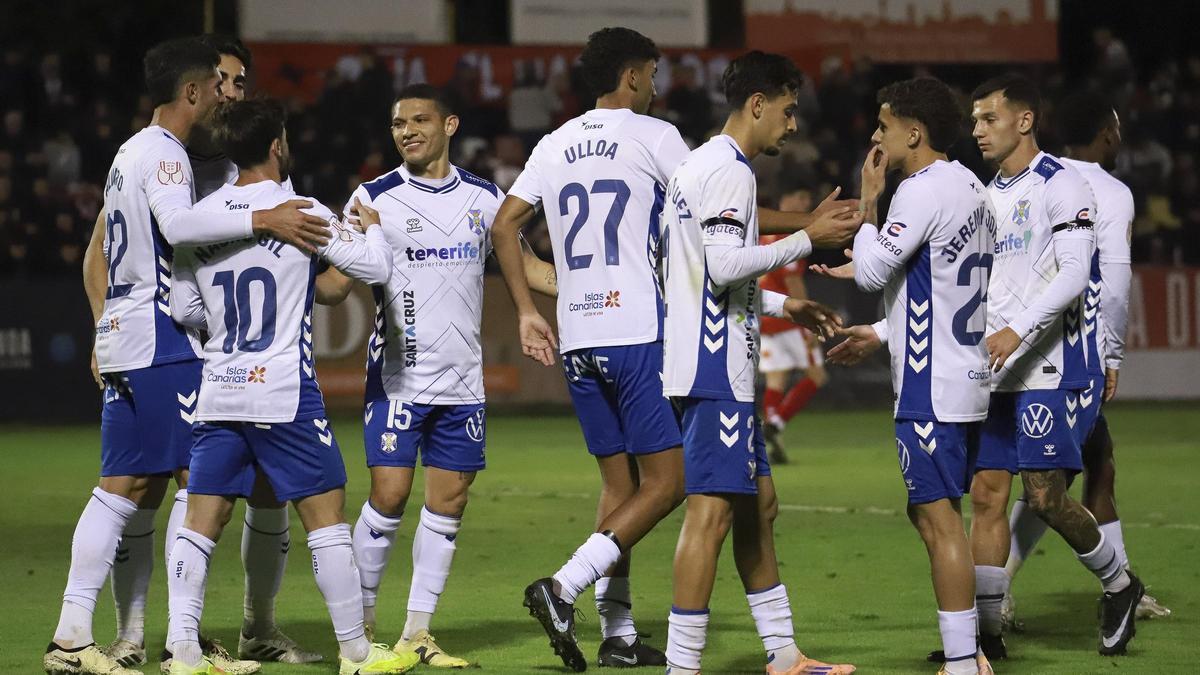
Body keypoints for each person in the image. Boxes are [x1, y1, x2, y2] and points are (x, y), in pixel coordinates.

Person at [491, 27, 859, 671]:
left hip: (579, 335)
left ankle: (620, 631)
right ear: (633, 76)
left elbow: (504, 225)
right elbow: (711, 222)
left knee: (628, 490)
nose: (658, 88)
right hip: (642, 331)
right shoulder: (662, 140)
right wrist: (805, 228)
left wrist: (527, 309)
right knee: (677, 486)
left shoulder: (553, 144)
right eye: (655, 75)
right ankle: (565, 587)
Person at [51, 37, 326, 675]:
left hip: (150, 334)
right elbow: (163, 234)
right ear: (198, 89)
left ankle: (103, 637)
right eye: (223, 83)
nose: (232, 95)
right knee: (176, 487)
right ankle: (169, 642)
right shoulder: (170, 158)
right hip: (163, 334)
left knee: (134, 484)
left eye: (240, 84)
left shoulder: (140, 153)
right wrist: (266, 222)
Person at [163, 96, 417, 675]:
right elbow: (375, 269)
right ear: (278, 145)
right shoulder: (297, 208)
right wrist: (370, 231)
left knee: (202, 521)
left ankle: (182, 652)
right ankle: (356, 652)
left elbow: (184, 306)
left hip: (220, 387)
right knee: (325, 515)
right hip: (283, 391)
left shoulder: (203, 218)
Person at [328, 83, 556, 668]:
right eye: (398, 123)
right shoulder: (375, 197)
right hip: (399, 375)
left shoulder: (484, 198)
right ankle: (361, 632)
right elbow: (336, 283)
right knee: (390, 494)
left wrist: (601, 286)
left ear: (449, 125)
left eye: (419, 120)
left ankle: (417, 633)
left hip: (462, 379)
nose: (406, 131)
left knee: (450, 500)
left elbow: (527, 265)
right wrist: (311, 263)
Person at [660, 50, 856, 675]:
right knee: (710, 515)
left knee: (758, 506)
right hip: (715, 367)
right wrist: (806, 238)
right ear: (758, 104)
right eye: (789, 111)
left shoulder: (700, 165)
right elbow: (719, 267)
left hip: (717, 361)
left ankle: (784, 655)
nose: (793, 125)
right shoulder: (730, 172)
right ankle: (681, 667)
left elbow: (693, 273)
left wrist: (782, 306)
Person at [816, 77, 998, 675]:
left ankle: (962, 662)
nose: (875, 135)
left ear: (913, 133)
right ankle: (970, 650)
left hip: (930, 386)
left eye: (883, 125)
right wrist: (883, 331)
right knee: (935, 513)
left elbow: (871, 272)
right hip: (968, 376)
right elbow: (939, 283)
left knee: (937, 517)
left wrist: (870, 201)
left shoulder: (918, 191)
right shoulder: (970, 186)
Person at [967, 74, 1143, 659]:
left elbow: (1074, 274)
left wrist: (1018, 330)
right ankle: (986, 636)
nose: (977, 130)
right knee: (988, 495)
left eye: (988, 119)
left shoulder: (1063, 186)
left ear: (1024, 121)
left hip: (1051, 364)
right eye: (973, 121)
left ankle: (1119, 584)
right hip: (999, 368)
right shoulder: (984, 196)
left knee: (1044, 498)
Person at [1002, 89, 1170, 626]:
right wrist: (1112, 353)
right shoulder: (1107, 189)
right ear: (1106, 132)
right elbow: (1114, 282)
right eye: (1117, 127)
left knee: (1096, 461)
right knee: (1049, 479)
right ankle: (1010, 586)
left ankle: (1118, 582)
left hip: (1019, 344)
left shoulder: (1039, 178)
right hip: (1074, 354)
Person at [759, 189, 829, 464]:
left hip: (765, 317)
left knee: (776, 380)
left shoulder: (764, 236)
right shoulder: (789, 239)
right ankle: (776, 424)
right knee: (816, 376)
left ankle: (773, 431)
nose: (806, 204)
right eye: (800, 198)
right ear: (785, 200)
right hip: (787, 317)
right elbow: (793, 284)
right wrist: (811, 323)